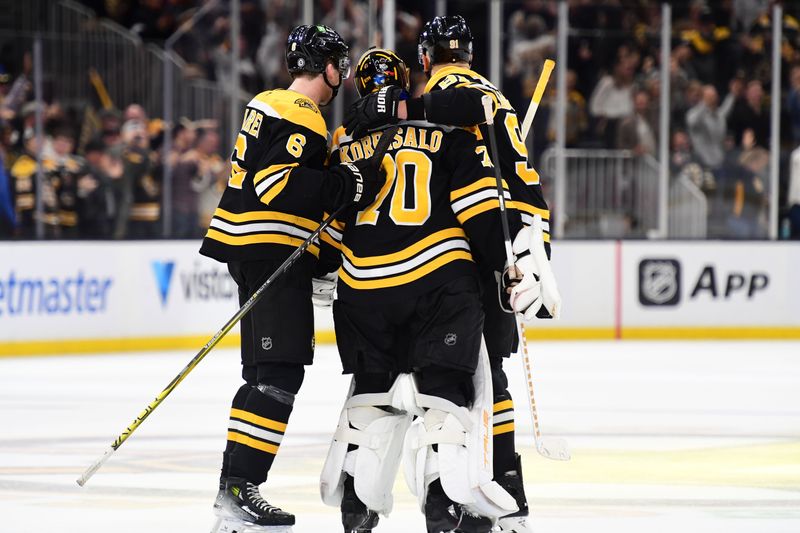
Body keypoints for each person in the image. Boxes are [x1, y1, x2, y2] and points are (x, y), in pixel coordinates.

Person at [341, 15, 561, 532]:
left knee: (453, 382)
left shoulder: (449, 92)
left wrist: (390, 107)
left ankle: (457, 499)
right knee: (489, 378)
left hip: (479, 248)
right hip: (520, 234)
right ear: (470, 53)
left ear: (425, 59)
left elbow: (452, 106)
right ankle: (505, 491)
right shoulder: (494, 94)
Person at [199, 24, 386, 533]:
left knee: (269, 373)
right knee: (277, 374)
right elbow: (277, 182)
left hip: (258, 247)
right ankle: (239, 489)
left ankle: (233, 490)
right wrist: (346, 181)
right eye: (338, 65)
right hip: (269, 249)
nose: (341, 76)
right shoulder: (302, 113)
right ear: (324, 65)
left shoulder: (274, 104)